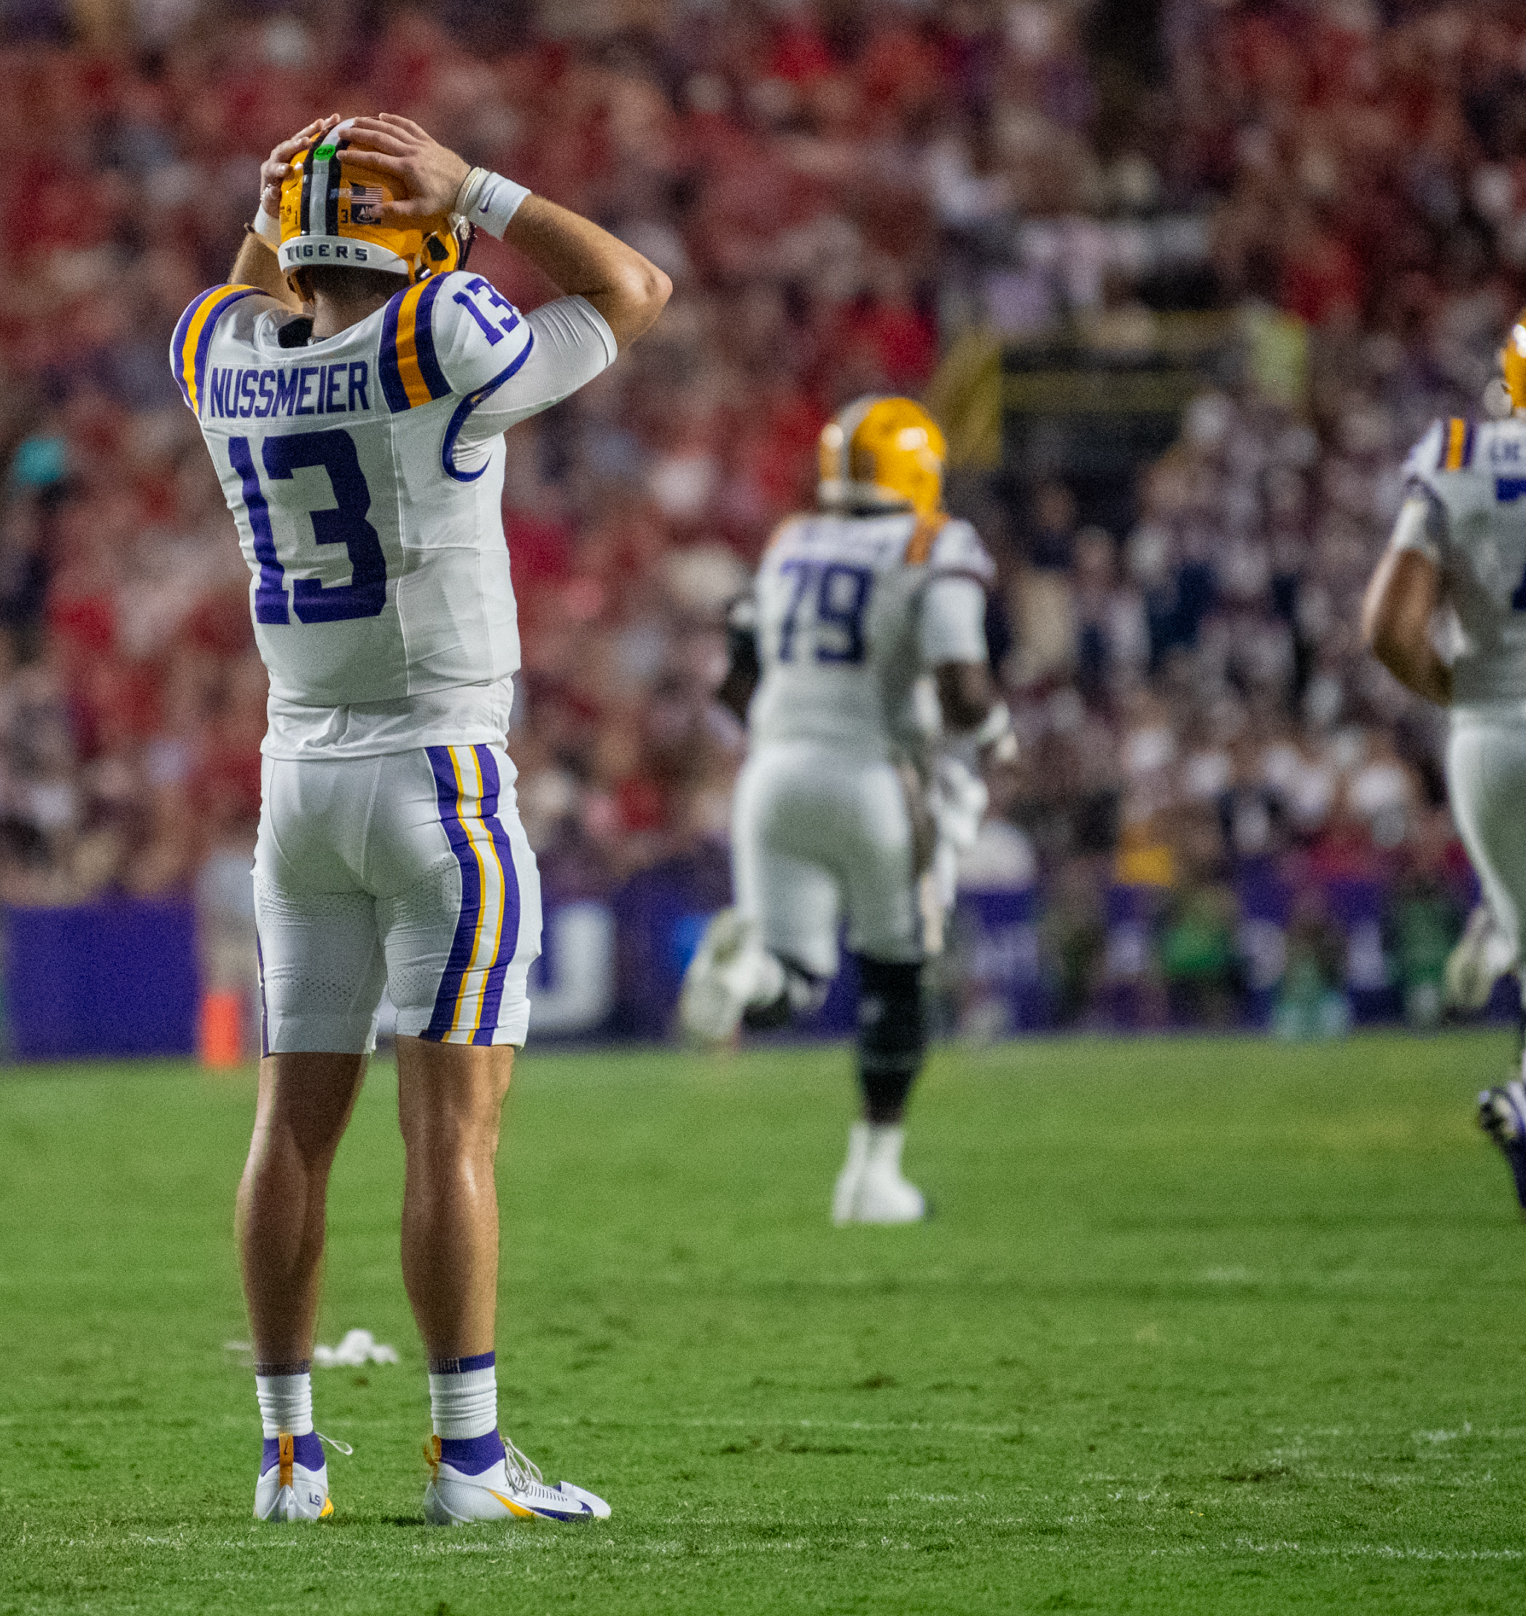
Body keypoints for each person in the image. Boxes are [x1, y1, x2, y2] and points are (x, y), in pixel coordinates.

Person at [174, 112, 670, 1523]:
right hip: (438, 777)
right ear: (417, 236)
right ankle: (465, 1462)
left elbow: (257, 286)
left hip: (297, 787)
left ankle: (286, 1461)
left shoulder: (217, 352)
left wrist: (294, 192)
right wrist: (483, 186)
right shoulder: (442, 332)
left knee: (291, 1127)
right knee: (448, 1135)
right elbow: (635, 290)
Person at [676, 398, 1013, 1225]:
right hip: (874, 778)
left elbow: (732, 686)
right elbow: (962, 684)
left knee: (792, 978)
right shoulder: (934, 543)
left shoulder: (790, 542)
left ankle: (740, 971)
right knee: (897, 974)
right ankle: (871, 1179)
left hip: (772, 776)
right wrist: (997, 735)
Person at [1361, 328, 1526, 1215]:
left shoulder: (1461, 453)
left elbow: (1390, 627)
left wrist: (1463, 691)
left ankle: (1502, 928)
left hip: (1491, 734)